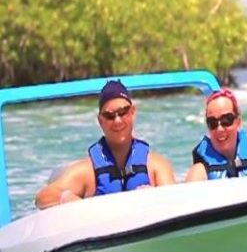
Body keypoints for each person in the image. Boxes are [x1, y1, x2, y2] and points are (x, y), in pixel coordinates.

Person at [36, 80, 176, 209]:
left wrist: (157, 198)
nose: (117, 121)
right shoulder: (87, 171)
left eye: (123, 112)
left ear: (133, 112)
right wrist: (66, 198)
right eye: (109, 116)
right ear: (100, 121)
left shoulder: (157, 166)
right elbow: (42, 197)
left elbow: (175, 203)